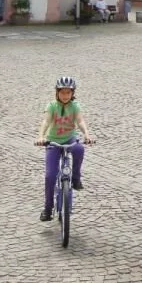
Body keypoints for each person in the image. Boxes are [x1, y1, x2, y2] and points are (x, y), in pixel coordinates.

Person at [34, 75, 95, 221]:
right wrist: (41, 137)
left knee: (79, 149)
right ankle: (48, 208)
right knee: (50, 176)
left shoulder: (75, 106)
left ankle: (75, 178)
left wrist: (87, 134)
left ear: (73, 93)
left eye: (68, 93)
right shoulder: (52, 106)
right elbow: (46, 121)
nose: (65, 95)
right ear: (57, 92)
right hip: (53, 142)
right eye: (62, 92)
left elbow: (80, 121)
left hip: (70, 139)